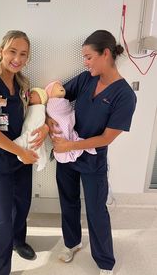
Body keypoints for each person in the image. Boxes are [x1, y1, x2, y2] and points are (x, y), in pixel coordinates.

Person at [47, 30, 137, 275]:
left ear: (105, 53)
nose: (85, 63)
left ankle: (105, 262)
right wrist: (48, 119)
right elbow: (56, 98)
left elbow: (107, 137)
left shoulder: (124, 95)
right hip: (67, 157)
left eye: (88, 57)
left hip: (92, 160)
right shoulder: (86, 79)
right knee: (68, 201)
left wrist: (69, 146)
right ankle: (72, 244)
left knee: (97, 210)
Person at [0, 30, 49, 275]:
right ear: (1, 51)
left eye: (23, 54)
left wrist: (46, 127)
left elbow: (31, 115)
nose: (17, 58)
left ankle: (18, 241)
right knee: (1, 219)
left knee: (22, 206)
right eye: (12, 51)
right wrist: (21, 152)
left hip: (21, 160)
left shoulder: (22, 84)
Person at [45, 80, 97, 162]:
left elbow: (68, 112)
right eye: (57, 86)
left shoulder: (65, 102)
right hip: (58, 129)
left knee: (71, 136)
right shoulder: (50, 104)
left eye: (61, 86)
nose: (61, 87)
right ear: (49, 92)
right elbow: (55, 114)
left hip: (69, 127)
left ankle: (73, 147)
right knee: (61, 138)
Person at [14, 87, 48, 171]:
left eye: (34, 93)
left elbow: (36, 123)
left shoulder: (40, 109)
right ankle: (41, 159)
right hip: (27, 131)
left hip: (32, 132)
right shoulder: (29, 108)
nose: (31, 94)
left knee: (33, 143)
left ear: (41, 97)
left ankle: (41, 159)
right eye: (30, 93)